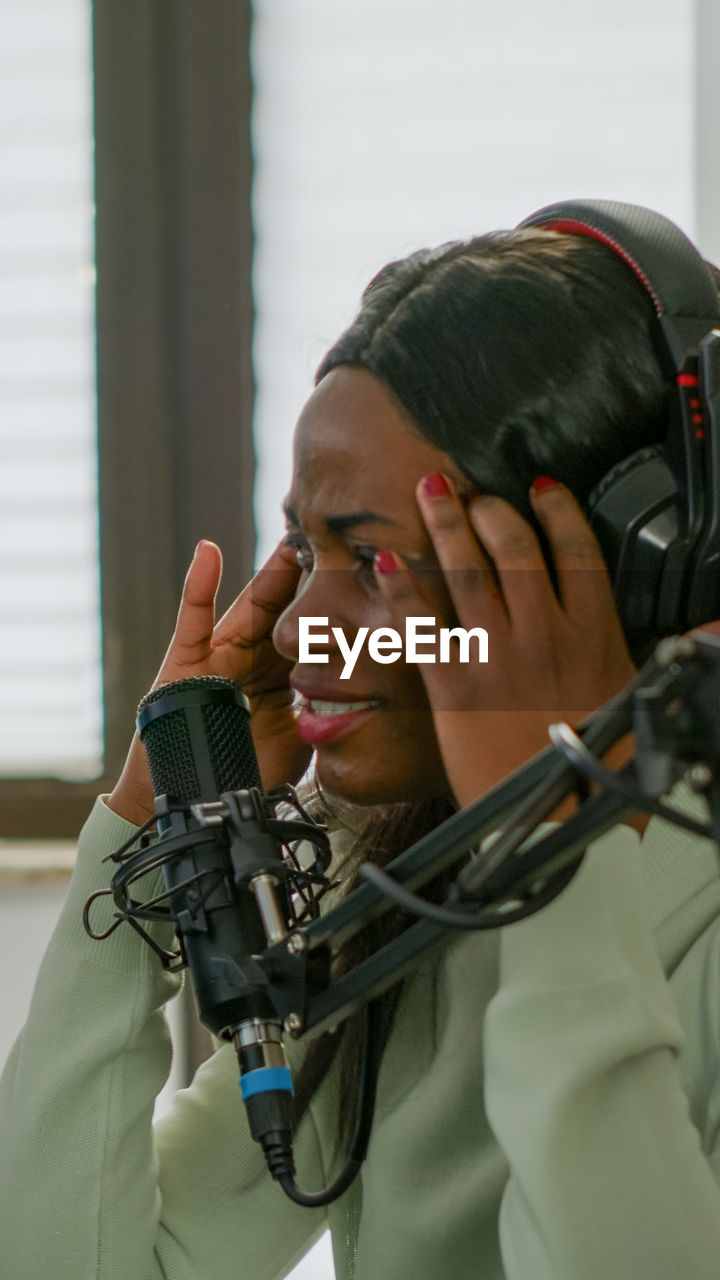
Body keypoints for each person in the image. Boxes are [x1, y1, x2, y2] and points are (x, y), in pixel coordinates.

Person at [3, 207, 720, 1280]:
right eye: (303, 544)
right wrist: (163, 831)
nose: (299, 625)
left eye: (374, 557)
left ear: (611, 567)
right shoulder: (409, 897)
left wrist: (560, 837)